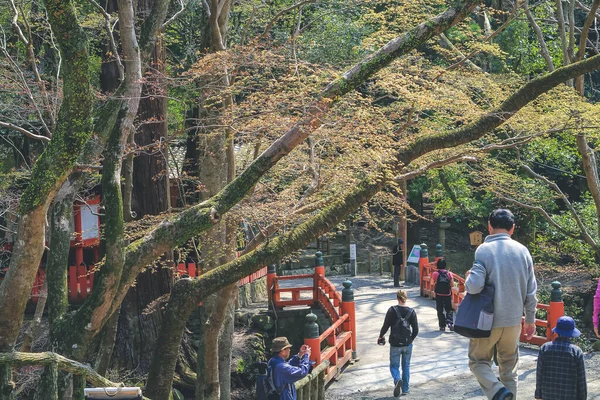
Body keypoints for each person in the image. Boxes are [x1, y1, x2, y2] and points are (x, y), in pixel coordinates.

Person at [465, 209, 537, 400]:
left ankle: (497, 391)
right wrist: (530, 319)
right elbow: (531, 291)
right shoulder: (523, 251)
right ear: (512, 228)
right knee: (509, 369)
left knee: (478, 362)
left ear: (489, 226)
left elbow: (473, 287)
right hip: (513, 322)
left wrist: (467, 278)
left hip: (486, 322)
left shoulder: (483, 250)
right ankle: (507, 394)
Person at [377, 289, 419, 397]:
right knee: (406, 366)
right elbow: (416, 330)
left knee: (394, 366)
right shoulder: (411, 312)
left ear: (397, 298)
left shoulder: (392, 310)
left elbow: (385, 326)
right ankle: (405, 389)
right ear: (406, 298)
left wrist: (381, 336)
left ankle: (397, 379)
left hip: (395, 343)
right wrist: (410, 340)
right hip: (407, 343)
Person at [535, 316, 587, 400]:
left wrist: (538, 395)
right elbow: (581, 380)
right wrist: (583, 397)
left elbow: (539, 374)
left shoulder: (545, 348)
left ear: (557, 332)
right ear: (571, 334)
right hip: (569, 395)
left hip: (548, 394)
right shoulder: (576, 352)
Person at [431, 258, 454, 331]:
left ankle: (442, 326)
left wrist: (435, 284)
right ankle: (450, 322)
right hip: (447, 294)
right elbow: (452, 284)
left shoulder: (435, 274)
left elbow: (432, 283)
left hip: (439, 294)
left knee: (440, 310)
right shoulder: (449, 273)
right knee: (449, 309)